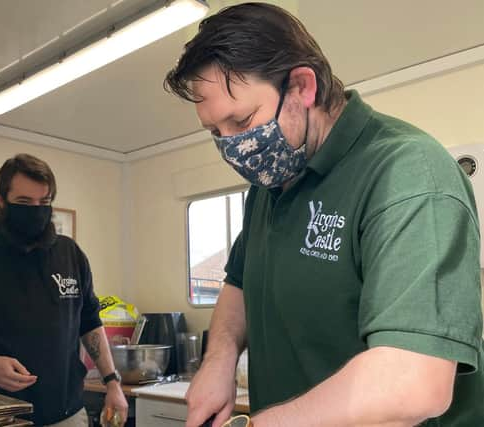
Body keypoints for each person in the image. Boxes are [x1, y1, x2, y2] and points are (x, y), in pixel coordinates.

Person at [164, 3, 484, 426]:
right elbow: (239, 283)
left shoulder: (408, 174)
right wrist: (218, 362)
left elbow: (413, 382)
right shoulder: (267, 188)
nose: (232, 146)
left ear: (302, 87)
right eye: (215, 132)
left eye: (241, 120)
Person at [0, 154, 128, 426]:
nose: (36, 210)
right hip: (2, 416)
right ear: (1, 201)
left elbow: (90, 323)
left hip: (68, 414)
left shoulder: (70, 253)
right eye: (24, 203)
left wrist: (112, 383)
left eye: (44, 202)